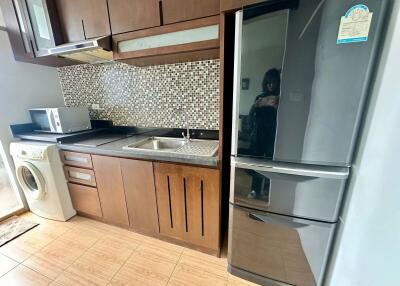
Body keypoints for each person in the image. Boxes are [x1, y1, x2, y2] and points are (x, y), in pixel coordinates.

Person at [246, 68, 281, 199]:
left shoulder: (280, 98)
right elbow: (250, 117)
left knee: (271, 165)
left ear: (278, 82)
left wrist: (279, 106)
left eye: (273, 82)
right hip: (258, 136)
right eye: (267, 82)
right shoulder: (259, 97)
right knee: (256, 164)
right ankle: (255, 190)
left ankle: (267, 190)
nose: (270, 85)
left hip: (274, 137)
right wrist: (255, 105)